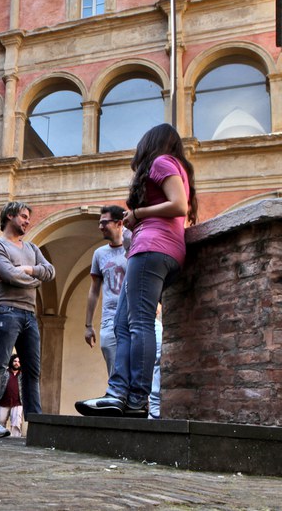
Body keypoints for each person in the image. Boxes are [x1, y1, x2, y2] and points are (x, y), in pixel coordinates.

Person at [76, 123, 197, 418]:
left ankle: (134, 398)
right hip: (164, 252)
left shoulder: (160, 161)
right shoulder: (177, 166)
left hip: (152, 250)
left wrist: (138, 214)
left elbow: (179, 205)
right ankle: (120, 394)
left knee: (138, 323)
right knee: (122, 325)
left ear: (151, 143)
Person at [0, 201, 55, 438]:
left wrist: (28, 270)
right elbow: (9, 275)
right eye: (23, 216)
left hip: (29, 314)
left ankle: (35, 423)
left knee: (32, 371)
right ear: (10, 216)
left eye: (28, 217)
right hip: (6, 311)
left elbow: (50, 272)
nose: (27, 221)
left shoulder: (32, 248)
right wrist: (33, 276)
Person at [84, 205, 128, 377]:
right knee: (114, 372)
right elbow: (94, 290)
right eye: (99, 223)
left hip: (133, 315)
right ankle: (117, 402)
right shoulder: (99, 254)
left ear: (119, 223)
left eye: (104, 222)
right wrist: (88, 325)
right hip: (109, 318)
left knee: (136, 368)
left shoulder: (134, 246)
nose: (100, 226)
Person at [0, 355, 23, 437]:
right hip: (3, 401)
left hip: (17, 403)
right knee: (0, 421)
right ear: (11, 362)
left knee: (16, 423)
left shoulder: (22, 375)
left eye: (19, 362)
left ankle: (16, 440)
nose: (17, 363)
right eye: (15, 361)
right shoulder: (5, 372)